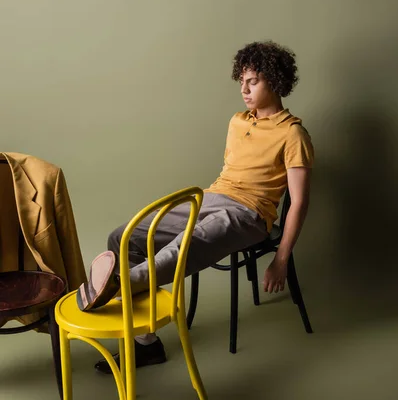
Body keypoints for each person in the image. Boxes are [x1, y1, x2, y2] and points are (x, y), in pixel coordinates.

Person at [78, 40, 314, 374]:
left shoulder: (293, 135)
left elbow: (299, 202)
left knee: (183, 245)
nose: (244, 90)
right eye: (241, 81)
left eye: (253, 82)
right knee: (124, 237)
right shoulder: (237, 121)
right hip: (211, 198)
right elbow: (228, 177)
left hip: (249, 215)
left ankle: (115, 285)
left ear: (275, 82)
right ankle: (147, 344)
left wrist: (280, 259)